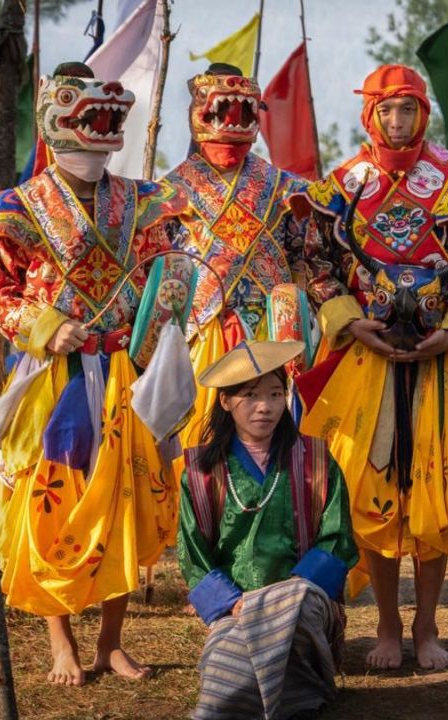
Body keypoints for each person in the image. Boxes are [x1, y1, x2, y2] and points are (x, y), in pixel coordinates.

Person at [0, 62, 194, 685]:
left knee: (123, 501)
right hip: (50, 377)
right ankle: (60, 638)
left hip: (121, 372)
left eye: (110, 118)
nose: (101, 127)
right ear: (54, 118)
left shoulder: (145, 202)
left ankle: (111, 641)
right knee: (47, 502)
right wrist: (42, 325)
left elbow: (169, 278)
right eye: (88, 115)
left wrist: (155, 330)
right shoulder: (15, 209)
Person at [295, 64, 448, 669]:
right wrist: (350, 319)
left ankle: (427, 626)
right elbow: (315, 262)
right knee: (374, 488)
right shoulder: (339, 185)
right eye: (387, 110)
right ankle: (388, 624)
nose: (398, 122)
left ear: (425, 113)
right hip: (365, 361)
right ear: (370, 114)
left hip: (443, 361)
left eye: (409, 109)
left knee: (438, 489)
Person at [178, 341, 357, 720]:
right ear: (225, 402)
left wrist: (292, 591)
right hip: (234, 607)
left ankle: (294, 702)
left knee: (297, 616)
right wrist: (233, 602)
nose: (266, 406)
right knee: (226, 658)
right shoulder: (200, 471)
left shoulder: (317, 459)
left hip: (304, 597)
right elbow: (192, 552)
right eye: (252, 395)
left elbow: (337, 538)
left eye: (276, 394)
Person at [163, 63, 318, 454]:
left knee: (275, 441)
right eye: (222, 111)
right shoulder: (167, 192)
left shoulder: (287, 188)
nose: (232, 121)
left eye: (243, 111)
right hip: (200, 332)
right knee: (200, 439)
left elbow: (307, 260)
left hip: (271, 331)